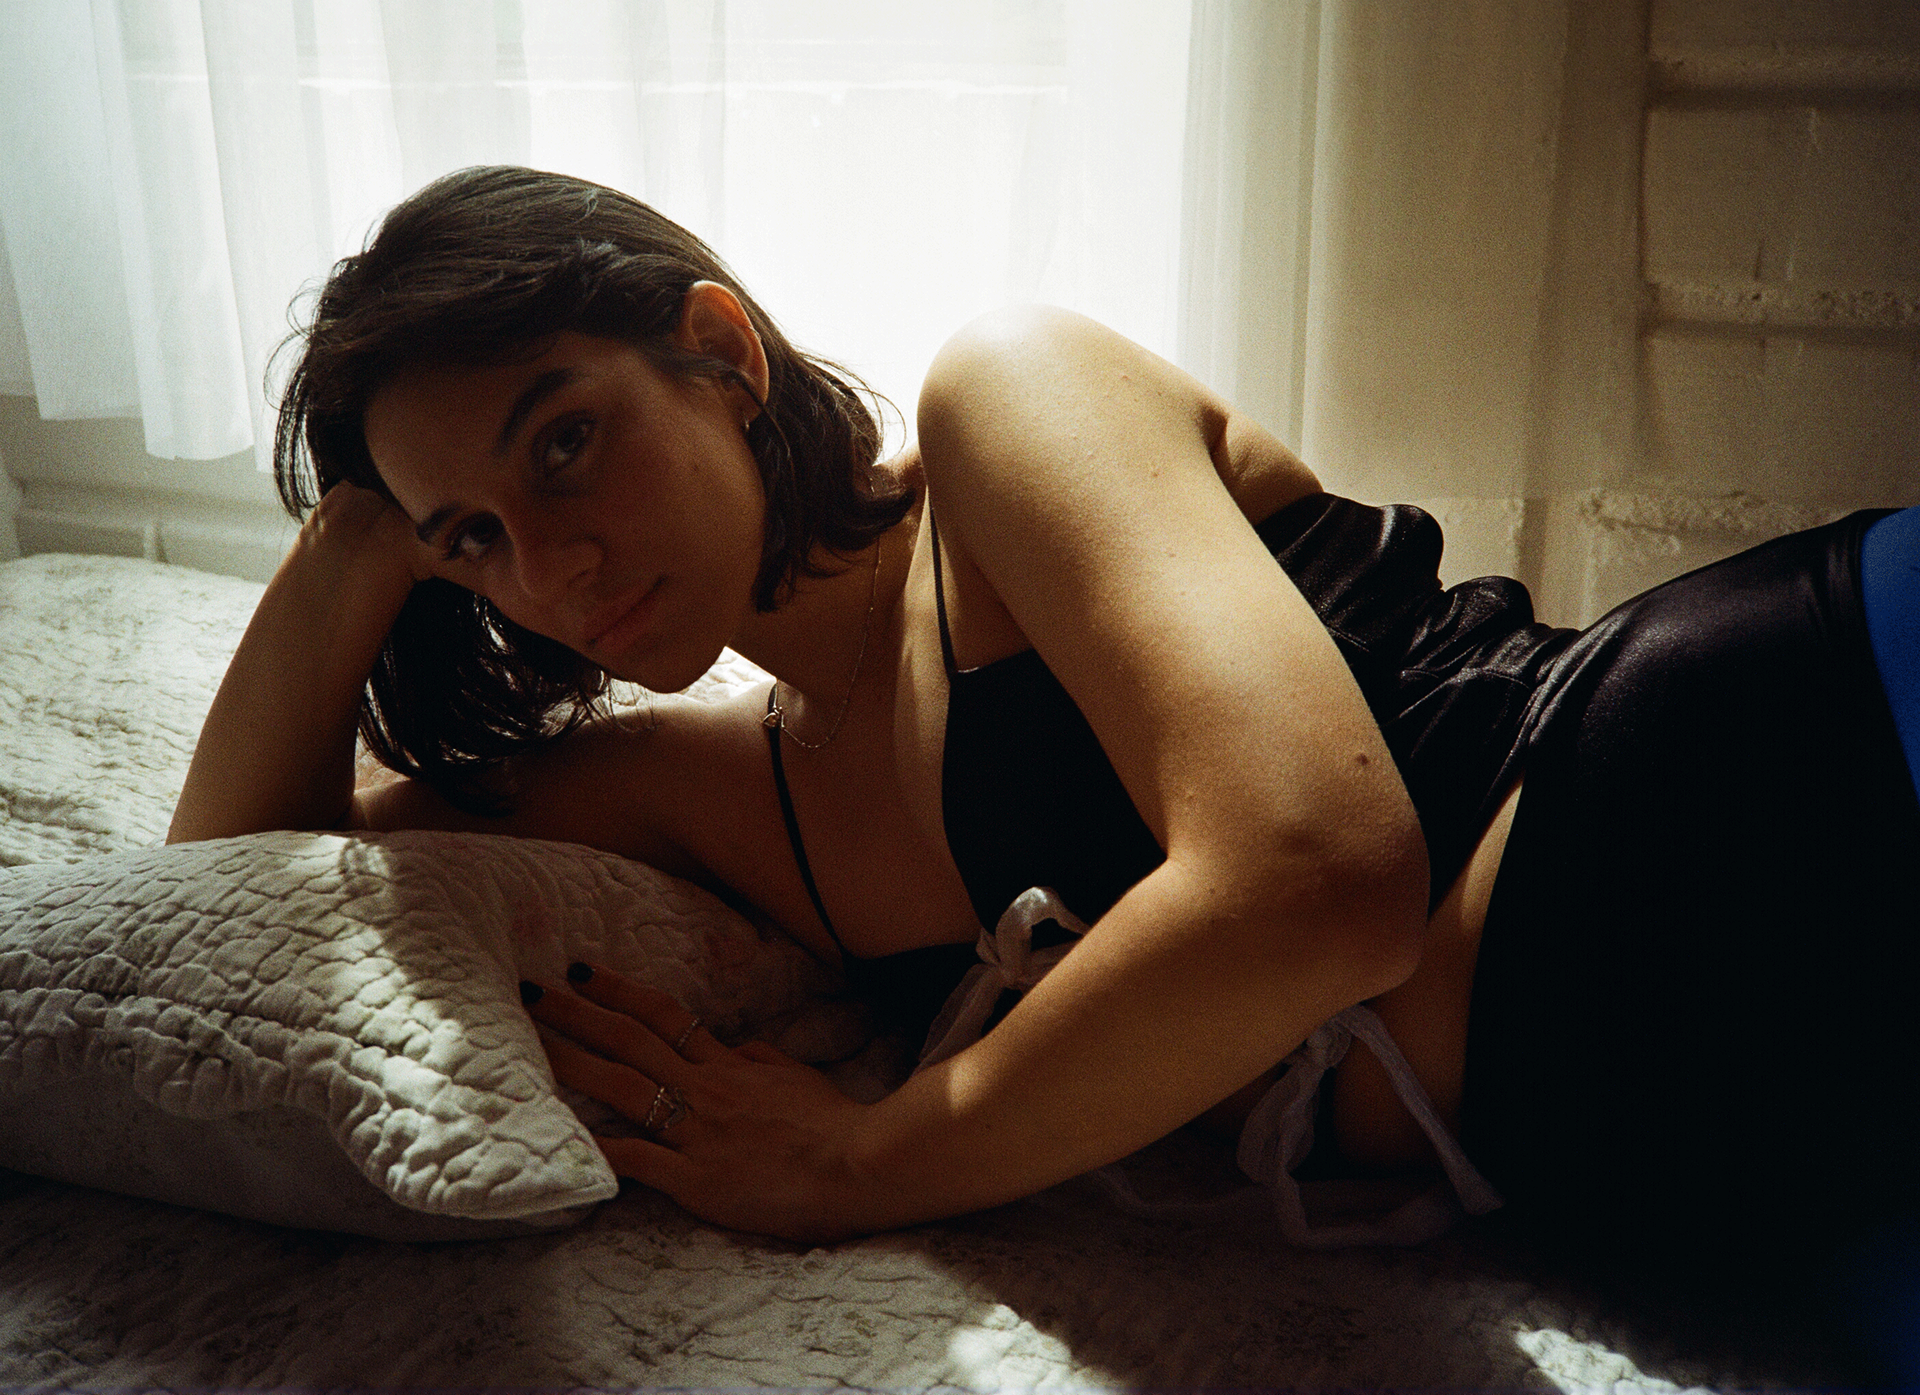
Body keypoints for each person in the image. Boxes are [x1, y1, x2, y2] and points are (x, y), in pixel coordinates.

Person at [169, 167, 1918, 1324]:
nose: (548, 568)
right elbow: (229, 889)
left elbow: (1322, 875)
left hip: (1761, 774)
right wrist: (362, 528)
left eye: (563, 443)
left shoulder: (1005, 406)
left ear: (719, 351)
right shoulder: (726, 792)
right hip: (1695, 1151)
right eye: (473, 538)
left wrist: (857, 1157)